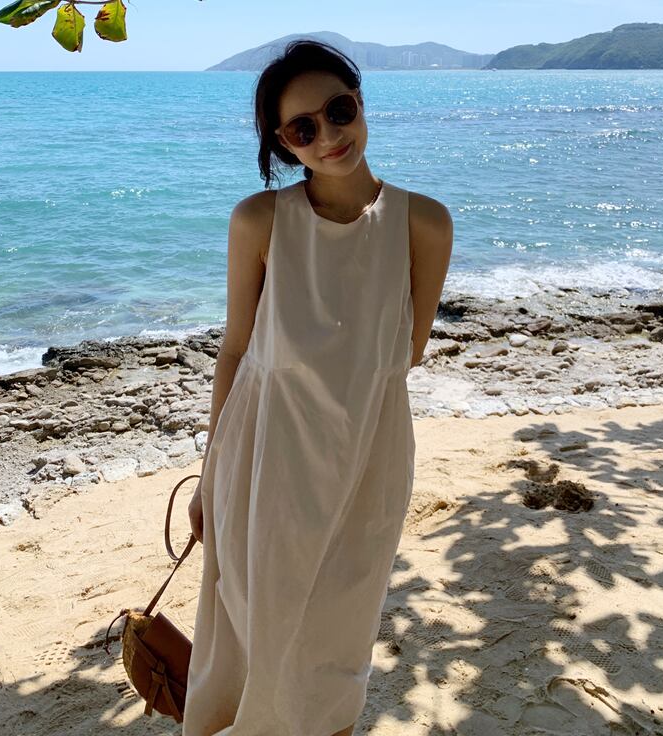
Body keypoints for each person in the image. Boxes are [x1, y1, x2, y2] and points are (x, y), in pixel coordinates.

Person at [184, 39, 453, 736]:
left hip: (369, 460)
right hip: (264, 460)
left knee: (337, 650)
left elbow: (405, 354)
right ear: (283, 143)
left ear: (360, 102)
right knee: (252, 635)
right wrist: (210, 475)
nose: (329, 136)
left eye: (339, 110)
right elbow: (235, 349)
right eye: (302, 128)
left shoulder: (425, 222)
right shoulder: (259, 220)